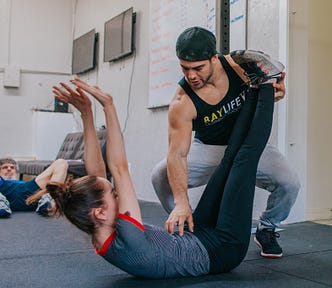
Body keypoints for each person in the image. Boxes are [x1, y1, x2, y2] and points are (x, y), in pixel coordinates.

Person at [40, 74, 274, 279]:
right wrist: (109, 106)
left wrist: (87, 115)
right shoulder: (128, 237)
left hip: (195, 235)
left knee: (229, 158)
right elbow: (119, 168)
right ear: (100, 212)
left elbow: (97, 173)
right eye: (113, 193)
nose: (117, 192)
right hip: (222, 250)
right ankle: (267, 83)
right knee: (245, 158)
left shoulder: (97, 226)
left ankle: (252, 88)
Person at [151, 26, 301, 259]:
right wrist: (181, 202)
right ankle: (184, 221)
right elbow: (177, 155)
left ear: (214, 58)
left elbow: (275, 89)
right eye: (185, 68)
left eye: (198, 68)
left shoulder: (240, 67)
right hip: (209, 149)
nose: (191, 76)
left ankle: (267, 228)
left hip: (248, 145)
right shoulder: (182, 101)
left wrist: (278, 91)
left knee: (290, 183)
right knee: (160, 175)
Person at [0, 157, 68, 217]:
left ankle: (49, 198)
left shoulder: (24, 183)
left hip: (30, 190)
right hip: (4, 192)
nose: (9, 169)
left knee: (61, 162)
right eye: (5, 167)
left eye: (12, 167)